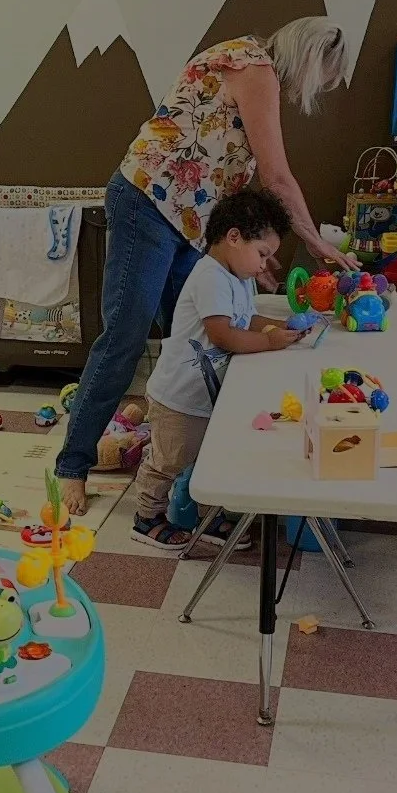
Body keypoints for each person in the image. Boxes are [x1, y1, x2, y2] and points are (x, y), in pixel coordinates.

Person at [54, 16, 355, 515]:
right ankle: (73, 463)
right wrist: (317, 242)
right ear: (310, 59)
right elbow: (275, 175)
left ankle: (189, 454)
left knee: (197, 333)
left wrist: (246, 253)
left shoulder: (246, 60)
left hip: (189, 218)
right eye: (321, 79)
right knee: (126, 335)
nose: (316, 91)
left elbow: (226, 173)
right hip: (148, 201)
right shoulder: (255, 69)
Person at [132, 190, 305, 548]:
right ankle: (146, 516)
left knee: (211, 456)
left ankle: (210, 518)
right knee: (169, 460)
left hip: (207, 394)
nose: (264, 265)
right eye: (262, 254)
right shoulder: (210, 276)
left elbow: (245, 318)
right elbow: (224, 334)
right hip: (179, 398)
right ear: (234, 237)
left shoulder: (237, 276)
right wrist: (271, 341)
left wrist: (278, 325)